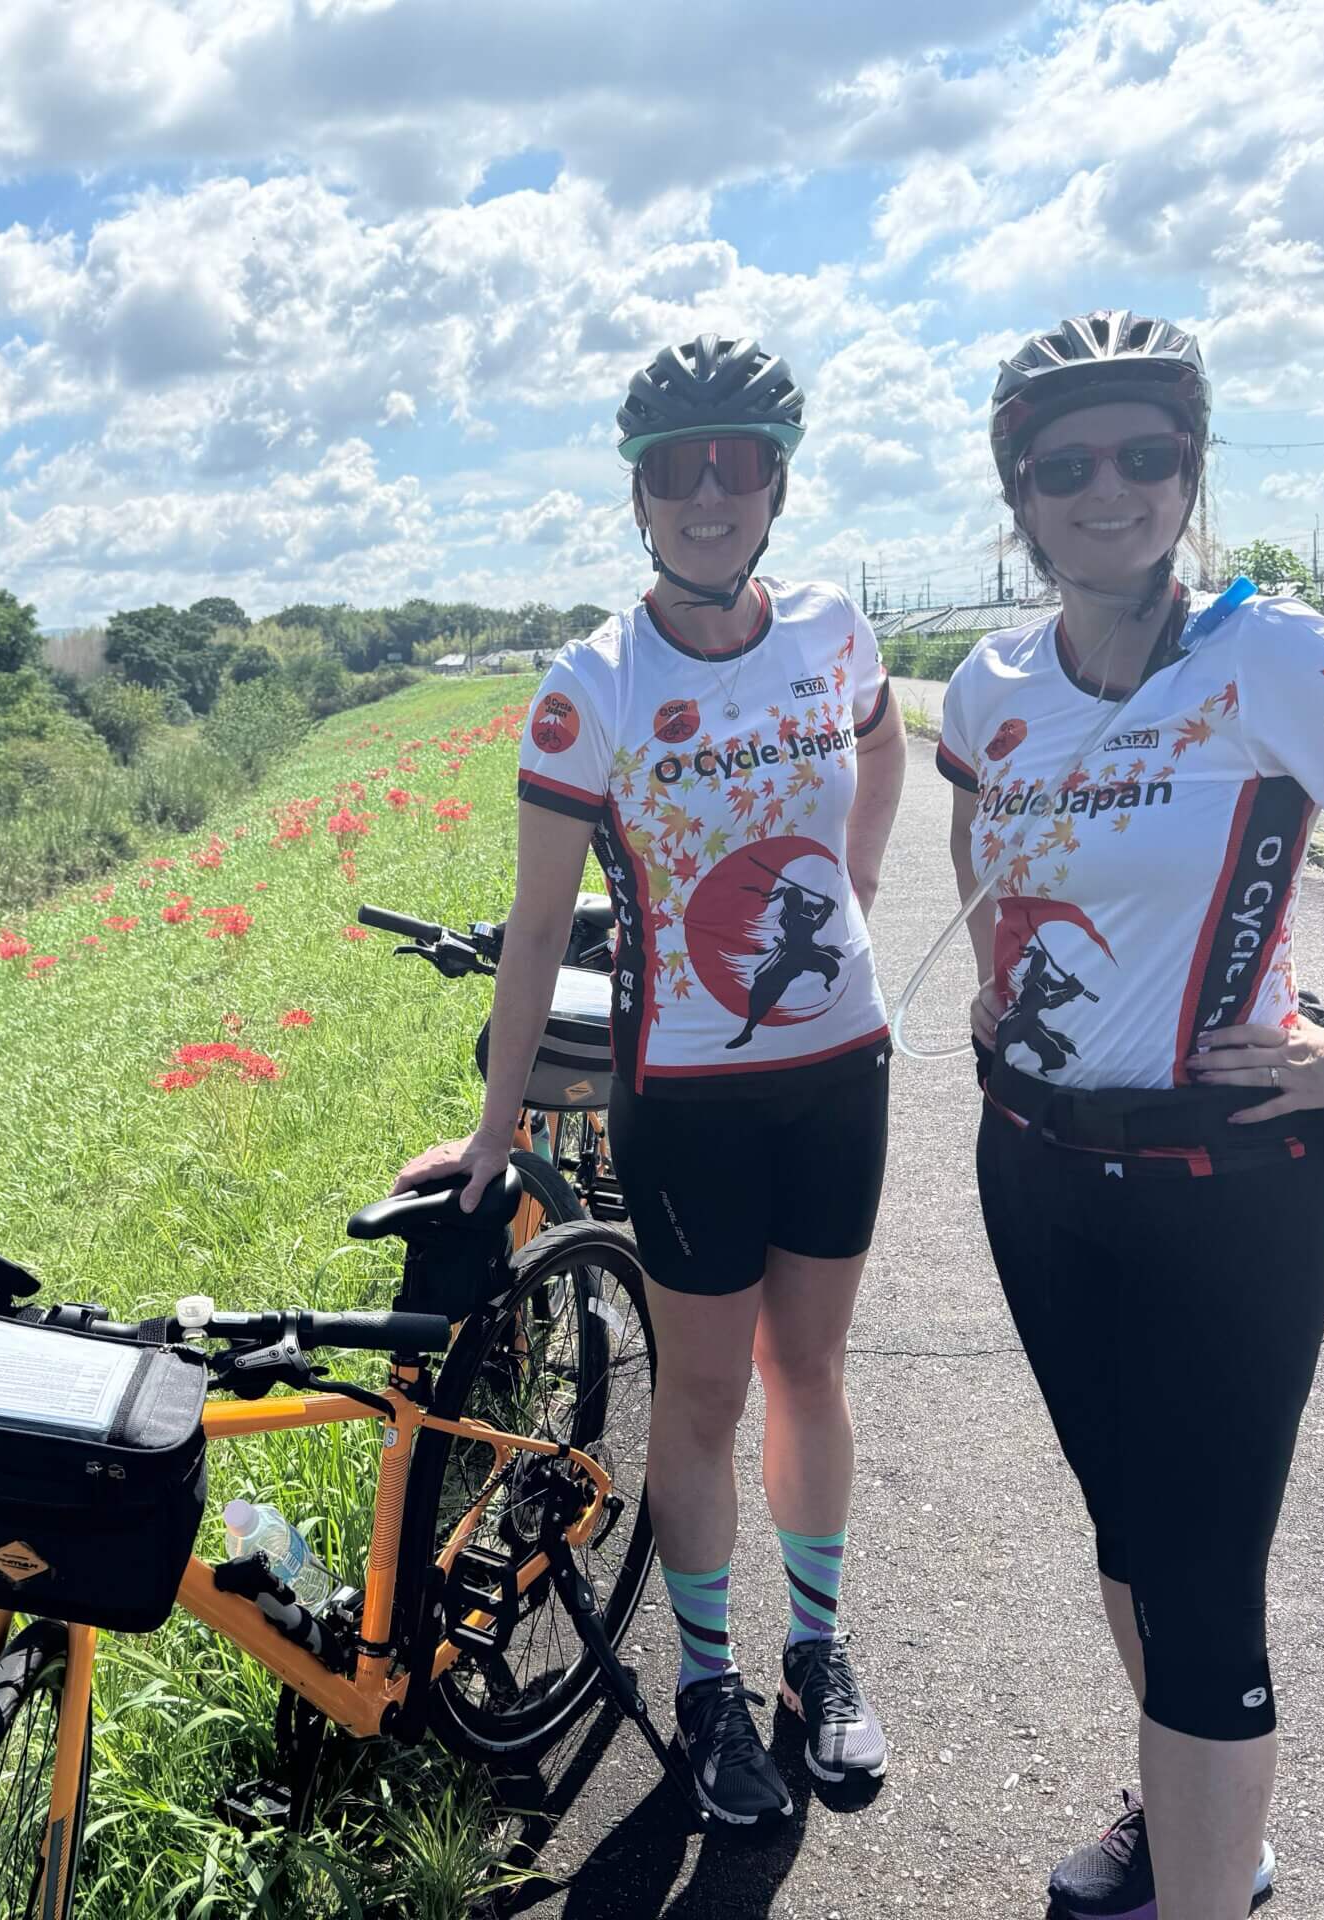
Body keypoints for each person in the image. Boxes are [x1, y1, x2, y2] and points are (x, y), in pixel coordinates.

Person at [940, 311, 1324, 1920]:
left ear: (1193, 471)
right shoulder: (995, 680)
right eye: (1067, 464)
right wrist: (1003, 978)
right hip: (1037, 1173)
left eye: (1148, 453)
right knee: (1131, 1545)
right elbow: (976, 830)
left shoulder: (1268, 652)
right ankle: (1190, 1819)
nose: (1110, 488)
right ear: (1020, 493)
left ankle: (1212, 1881)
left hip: (1228, 1190)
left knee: (1206, 1592)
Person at [392, 334, 907, 1825]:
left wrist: (859, 886)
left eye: (735, 464)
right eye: (676, 470)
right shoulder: (591, 687)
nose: (707, 494)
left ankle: (817, 1655)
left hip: (838, 1073)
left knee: (808, 1372)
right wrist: (497, 1130)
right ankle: (707, 1683)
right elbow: (542, 918)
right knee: (698, 1392)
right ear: (638, 497)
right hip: (684, 1095)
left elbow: (880, 753)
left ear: (775, 486)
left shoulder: (831, 631)